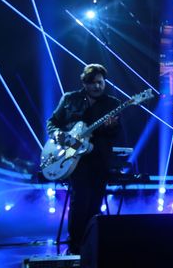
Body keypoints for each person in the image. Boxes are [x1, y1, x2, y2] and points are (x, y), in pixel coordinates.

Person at [46, 64, 121, 254]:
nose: (97, 86)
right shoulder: (70, 99)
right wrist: (61, 137)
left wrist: (111, 126)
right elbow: (52, 123)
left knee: (94, 203)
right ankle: (75, 245)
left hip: (99, 159)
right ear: (85, 83)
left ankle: (92, 245)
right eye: (93, 83)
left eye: (100, 82)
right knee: (80, 201)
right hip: (73, 160)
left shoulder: (112, 103)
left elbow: (116, 134)